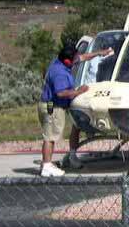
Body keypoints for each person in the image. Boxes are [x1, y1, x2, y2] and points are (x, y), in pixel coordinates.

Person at [37, 43, 112, 176]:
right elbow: (61, 93)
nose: (78, 59)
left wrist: (100, 53)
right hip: (53, 107)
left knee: (51, 134)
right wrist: (79, 91)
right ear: (67, 61)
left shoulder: (60, 62)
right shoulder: (59, 73)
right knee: (50, 136)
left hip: (51, 104)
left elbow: (83, 57)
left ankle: (46, 163)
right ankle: (47, 166)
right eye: (75, 58)